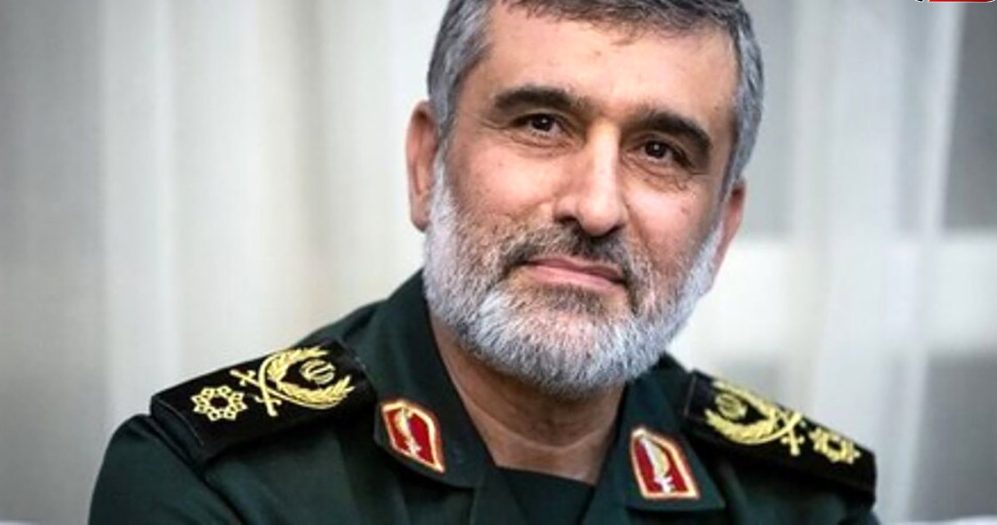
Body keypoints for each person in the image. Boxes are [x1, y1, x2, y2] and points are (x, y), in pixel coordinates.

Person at [90, 0, 877, 523]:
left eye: (661, 150)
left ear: (722, 228)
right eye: (541, 123)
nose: (596, 206)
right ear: (427, 164)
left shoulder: (803, 504)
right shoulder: (219, 487)